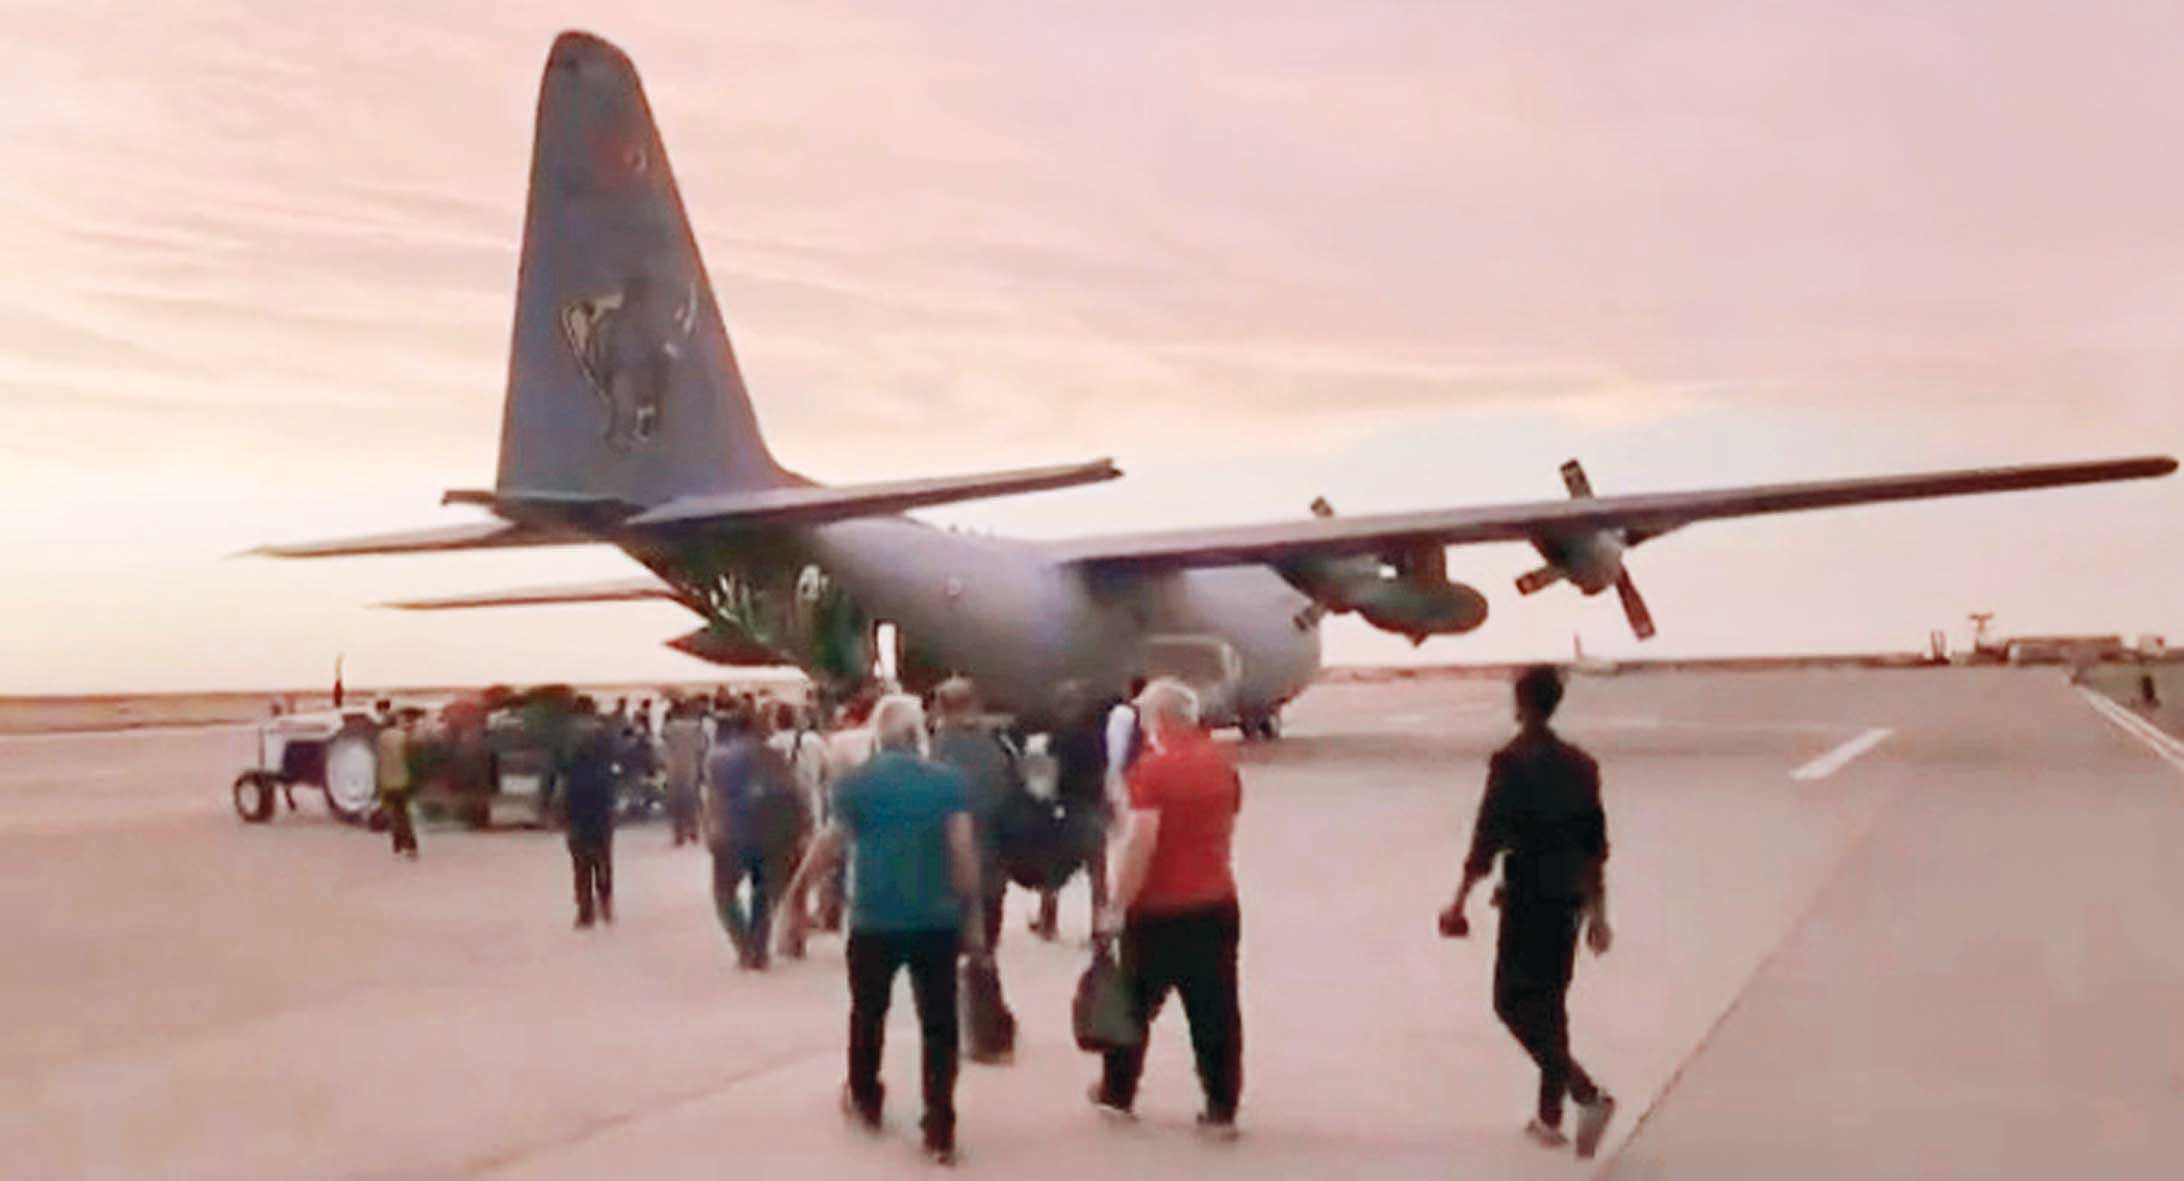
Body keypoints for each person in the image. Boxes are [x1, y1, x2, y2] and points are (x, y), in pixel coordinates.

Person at [781, 695, 984, 1166]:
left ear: (878, 735)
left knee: (868, 1012)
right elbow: (962, 852)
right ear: (919, 735)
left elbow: (830, 844)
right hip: (936, 920)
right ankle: (940, 1125)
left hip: (874, 918)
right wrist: (971, 912)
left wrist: (796, 893)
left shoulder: (856, 784)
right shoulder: (948, 783)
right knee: (940, 1023)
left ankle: (866, 1097)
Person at [1441, 664, 1617, 1159]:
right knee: (1551, 1002)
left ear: (1521, 703)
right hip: (1569, 897)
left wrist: (1459, 899)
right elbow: (1595, 845)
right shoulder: (1581, 766)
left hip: (1527, 897)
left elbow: (1487, 836)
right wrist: (1599, 913)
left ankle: (1586, 1093)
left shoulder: (1511, 763)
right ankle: (1550, 1117)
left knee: (1511, 1002)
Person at [1090, 678, 1243, 1139]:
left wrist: (1118, 904)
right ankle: (1221, 1105)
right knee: (1215, 1008)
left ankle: (1118, 1092)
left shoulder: (1153, 771)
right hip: (1216, 900)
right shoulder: (1222, 764)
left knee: (1132, 1004)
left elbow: (1142, 840)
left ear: (1158, 718)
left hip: (1159, 907)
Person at [704, 705, 807, 970]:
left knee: (724, 893)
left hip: (731, 833)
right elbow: (793, 793)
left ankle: (744, 946)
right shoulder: (775, 757)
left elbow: (713, 798)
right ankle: (758, 950)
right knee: (761, 892)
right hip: (770, 833)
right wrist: (798, 829)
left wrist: (710, 829)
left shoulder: (718, 758)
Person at [927, 679, 1019, 958]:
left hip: (945, 867)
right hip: (993, 858)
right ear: (975, 705)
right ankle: (984, 970)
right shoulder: (999, 745)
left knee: (946, 952)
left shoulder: (934, 750)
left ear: (940, 708)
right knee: (986, 943)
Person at [1035, 683, 1110, 940]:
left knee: (1052, 870)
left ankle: (1047, 922)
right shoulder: (1098, 737)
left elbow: (1049, 776)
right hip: (1093, 807)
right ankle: (1099, 926)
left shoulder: (1057, 739)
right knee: (1097, 874)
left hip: (1066, 809)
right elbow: (1105, 772)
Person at [767, 701, 831, 956]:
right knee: (802, 876)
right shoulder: (813, 742)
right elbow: (826, 774)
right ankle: (799, 932)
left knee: (783, 876)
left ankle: (787, 934)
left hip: (778, 818)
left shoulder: (770, 745)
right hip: (810, 814)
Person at [561, 697, 619, 928]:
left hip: (575, 801)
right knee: (603, 856)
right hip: (601, 800)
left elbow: (555, 769)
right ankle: (605, 902)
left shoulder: (567, 735)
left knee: (580, 861)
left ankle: (585, 910)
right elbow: (617, 760)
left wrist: (547, 803)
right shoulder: (604, 732)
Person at [374, 701, 420, 859]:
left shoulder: (381, 738)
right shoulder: (403, 737)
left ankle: (398, 844)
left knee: (394, 814)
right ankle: (410, 845)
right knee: (403, 814)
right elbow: (411, 759)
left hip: (387, 782)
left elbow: (379, 761)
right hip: (403, 780)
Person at [661, 698, 708, 848]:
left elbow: (664, 746)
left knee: (676, 802)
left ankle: (678, 833)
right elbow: (702, 748)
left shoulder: (669, 728)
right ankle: (693, 830)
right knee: (692, 801)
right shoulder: (696, 728)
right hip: (691, 767)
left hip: (674, 768)